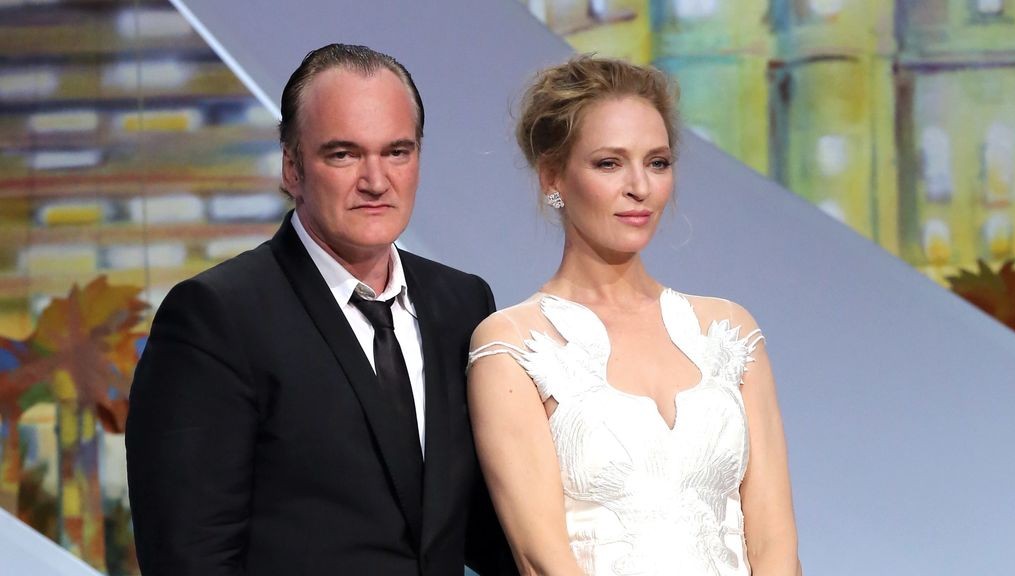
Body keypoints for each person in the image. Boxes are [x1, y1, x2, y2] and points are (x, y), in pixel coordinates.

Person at [126, 44, 512, 576]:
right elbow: (189, 557)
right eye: (344, 155)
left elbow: (482, 525)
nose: (376, 181)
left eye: (397, 152)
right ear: (292, 167)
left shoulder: (463, 304)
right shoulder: (216, 317)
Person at [467, 56, 801, 575]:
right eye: (609, 163)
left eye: (658, 162)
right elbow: (541, 559)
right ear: (552, 176)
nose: (640, 186)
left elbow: (775, 544)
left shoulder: (728, 331)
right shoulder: (514, 344)